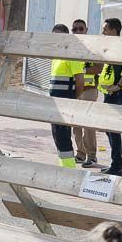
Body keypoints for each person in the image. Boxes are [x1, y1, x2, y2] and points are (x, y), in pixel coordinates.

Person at [99, 17, 122, 176]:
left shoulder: (121, 47)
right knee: (109, 128)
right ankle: (118, 163)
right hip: (110, 92)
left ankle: (116, 165)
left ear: (114, 30)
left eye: (105, 29)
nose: (103, 32)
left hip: (117, 92)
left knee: (113, 129)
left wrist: (118, 85)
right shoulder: (111, 47)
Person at [47, 23, 85, 168]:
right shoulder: (56, 56)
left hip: (65, 103)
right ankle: (64, 167)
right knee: (57, 136)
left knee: (63, 138)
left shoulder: (71, 54)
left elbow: (80, 80)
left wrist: (73, 100)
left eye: (59, 37)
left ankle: (69, 170)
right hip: (55, 104)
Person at [70, 18, 102, 167]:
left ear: (86, 29)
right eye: (74, 29)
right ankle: (80, 153)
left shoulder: (93, 47)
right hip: (75, 90)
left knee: (88, 124)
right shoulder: (71, 47)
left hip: (89, 90)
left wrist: (81, 71)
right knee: (75, 125)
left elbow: (99, 68)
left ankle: (92, 155)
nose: (77, 31)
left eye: (80, 28)